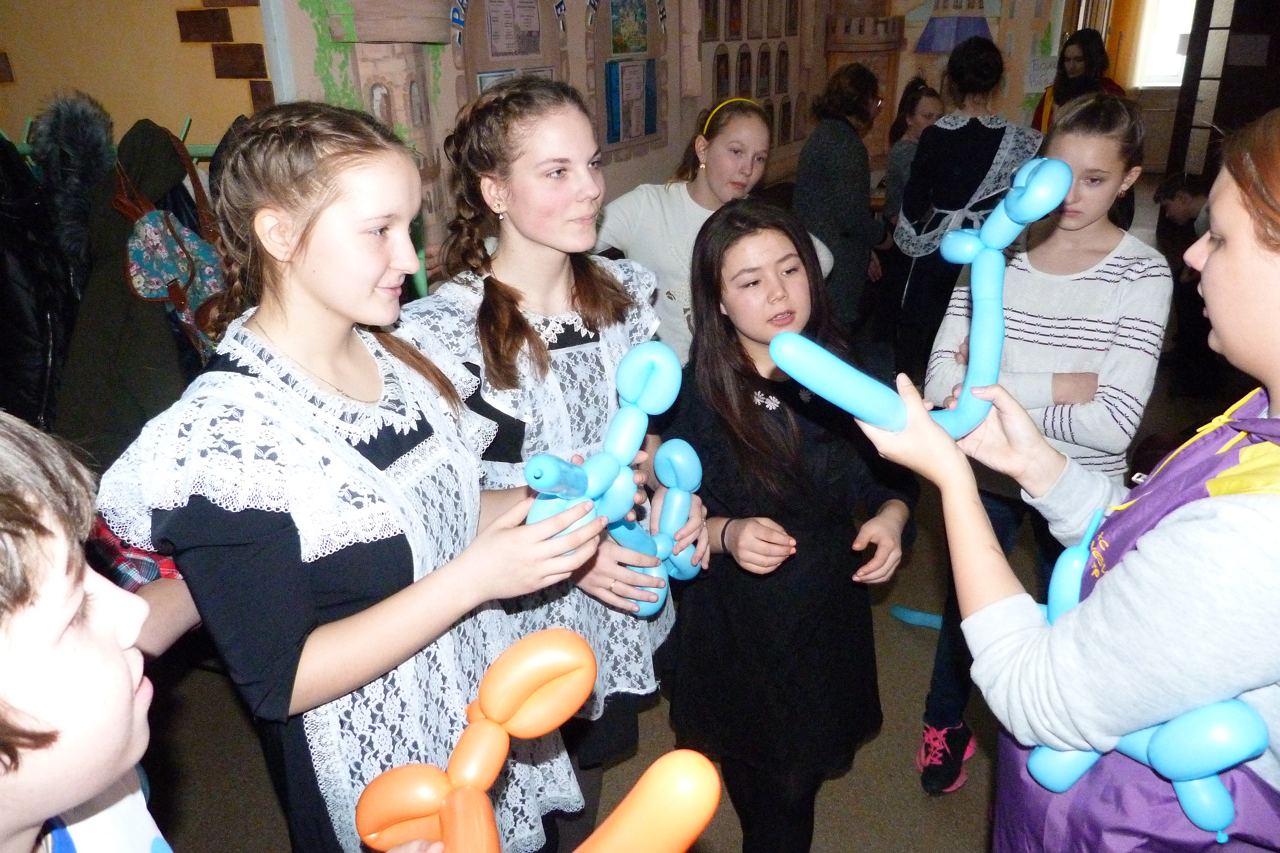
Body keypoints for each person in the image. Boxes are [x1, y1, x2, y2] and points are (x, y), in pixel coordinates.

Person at [94, 102, 607, 853]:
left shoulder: (395, 354)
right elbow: (281, 679)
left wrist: (547, 500)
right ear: (280, 235)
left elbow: (431, 511)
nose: (410, 259)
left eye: (411, 227)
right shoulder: (226, 439)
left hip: (473, 717)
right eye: (379, 230)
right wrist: (475, 579)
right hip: (381, 772)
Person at [857, 107, 1280, 849]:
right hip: (1034, 483)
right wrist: (1042, 459)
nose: (1193, 252)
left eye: (1220, 236)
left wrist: (954, 475)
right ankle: (942, 725)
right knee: (976, 612)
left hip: (1133, 824)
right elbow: (1146, 526)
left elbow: (1041, 695)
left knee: (1034, 614)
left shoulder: (1257, 536)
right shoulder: (1257, 415)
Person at [402, 76, 707, 850]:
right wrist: (577, 549)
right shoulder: (442, 331)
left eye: (592, 164)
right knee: (508, 804)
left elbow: (638, 441)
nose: (591, 189)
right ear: (495, 191)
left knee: (585, 793)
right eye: (557, 171)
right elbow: (439, 509)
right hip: (512, 619)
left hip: (613, 603)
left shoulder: (625, 296)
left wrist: (674, 494)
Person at [916, 93, 1172, 796]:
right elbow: (942, 387)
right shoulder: (995, 251)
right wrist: (1064, 383)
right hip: (988, 477)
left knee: (1084, 623)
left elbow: (1113, 422)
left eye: (1096, 178)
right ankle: (944, 722)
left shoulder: (1143, 273)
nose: (1073, 195)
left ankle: (1076, 746)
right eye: (1061, 174)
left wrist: (991, 383)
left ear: (1129, 179)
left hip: (1082, 488)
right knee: (972, 612)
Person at [662, 198, 913, 852]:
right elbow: (671, 523)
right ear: (718, 302)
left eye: (790, 269)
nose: (778, 293)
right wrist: (726, 533)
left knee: (794, 791)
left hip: (821, 610)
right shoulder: (696, 393)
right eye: (750, 281)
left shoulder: (851, 371)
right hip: (734, 622)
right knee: (754, 782)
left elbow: (886, 479)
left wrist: (890, 518)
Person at [593, 97, 832, 364]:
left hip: (733, 371)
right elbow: (573, 243)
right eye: (736, 152)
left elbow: (822, 258)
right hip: (668, 375)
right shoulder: (647, 206)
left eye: (759, 158)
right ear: (703, 149)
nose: (748, 169)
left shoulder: (755, 220)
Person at [894, 36, 1042, 383]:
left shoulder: (935, 136)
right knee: (980, 329)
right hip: (992, 251)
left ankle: (924, 393)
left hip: (942, 252)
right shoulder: (1021, 141)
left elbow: (914, 202)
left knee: (930, 331)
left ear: (952, 81)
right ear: (998, 82)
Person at [793, 62, 884, 336]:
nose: (877, 109)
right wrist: (882, 236)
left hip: (818, 250)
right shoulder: (846, 143)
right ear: (864, 102)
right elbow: (850, 216)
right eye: (876, 102)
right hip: (835, 261)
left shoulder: (824, 134)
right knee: (833, 336)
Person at [864, 77, 943, 383]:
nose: (934, 123)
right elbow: (925, 196)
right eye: (927, 116)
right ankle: (899, 377)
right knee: (900, 314)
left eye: (939, 117)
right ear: (910, 119)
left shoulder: (924, 149)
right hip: (902, 240)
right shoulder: (906, 150)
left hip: (914, 237)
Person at [1154, 171, 1218, 396]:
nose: (1168, 215)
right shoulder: (1203, 218)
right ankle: (1185, 348)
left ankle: (1193, 360)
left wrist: (1191, 275)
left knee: (1187, 297)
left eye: (1168, 206)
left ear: (1182, 198)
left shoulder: (1208, 217)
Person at [1030, 28, 1125, 135]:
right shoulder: (1051, 95)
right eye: (1067, 60)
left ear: (1093, 61)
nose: (1071, 66)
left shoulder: (1110, 93)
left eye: (1078, 60)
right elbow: (1035, 135)